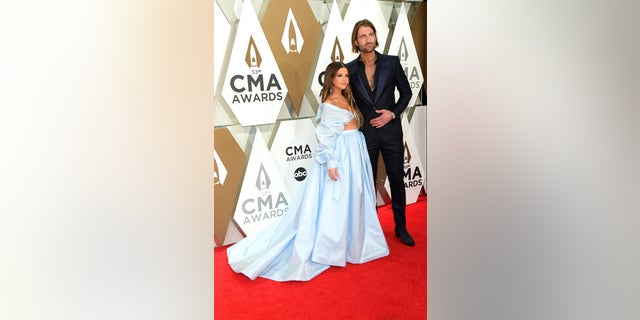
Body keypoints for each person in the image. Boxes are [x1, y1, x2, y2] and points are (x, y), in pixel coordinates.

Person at [226, 62, 389, 281]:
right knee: (337, 201)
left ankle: (352, 242)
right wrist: (331, 164)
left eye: (346, 76)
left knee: (353, 197)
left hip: (354, 153)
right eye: (339, 75)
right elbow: (325, 137)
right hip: (342, 157)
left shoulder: (346, 99)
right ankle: (333, 246)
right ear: (330, 78)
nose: (344, 79)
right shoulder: (331, 103)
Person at [346, 19, 415, 246]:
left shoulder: (391, 63)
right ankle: (372, 230)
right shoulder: (350, 69)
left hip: (392, 132)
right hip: (366, 134)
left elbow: (406, 93)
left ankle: (401, 227)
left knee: (397, 178)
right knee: (368, 182)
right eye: (363, 36)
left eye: (371, 34)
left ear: (376, 37)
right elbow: (345, 99)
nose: (368, 39)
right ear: (356, 41)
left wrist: (392, 113)